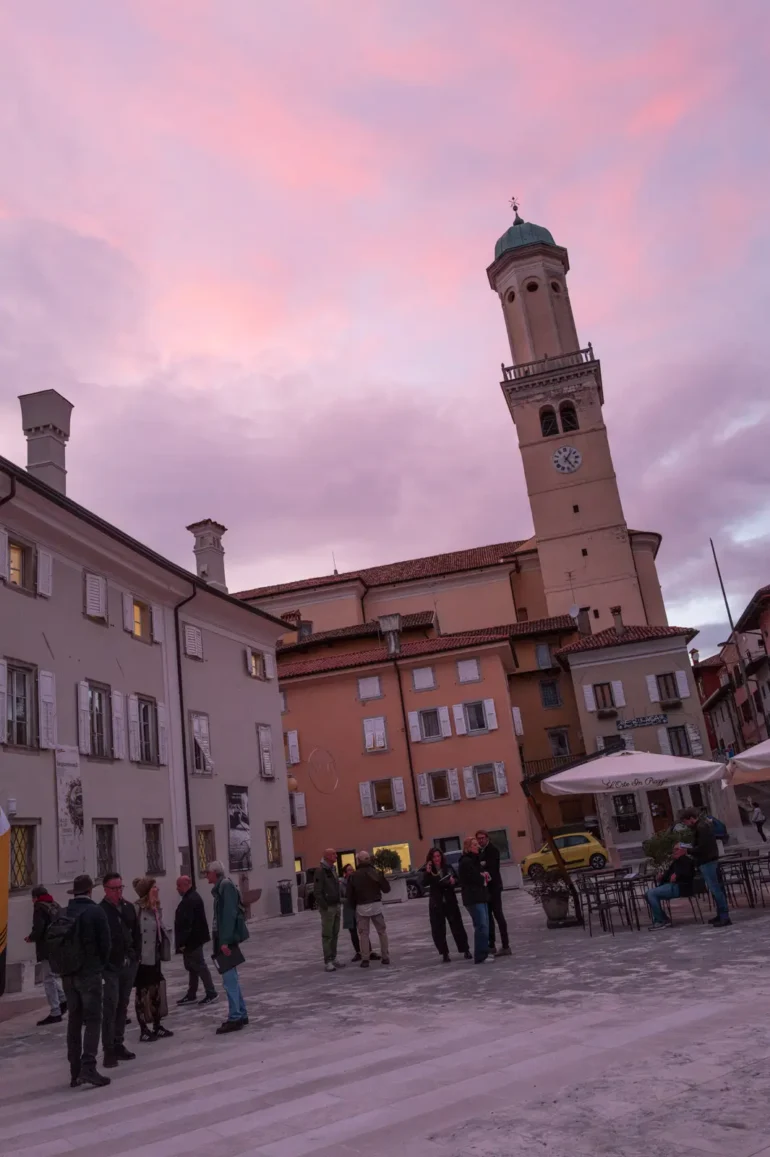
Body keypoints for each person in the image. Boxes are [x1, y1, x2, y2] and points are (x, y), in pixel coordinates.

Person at [60, 874, 111, 1088]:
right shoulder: (96, 912)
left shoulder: (63, 912)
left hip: (68, 975)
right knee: (93, 1019)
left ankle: (74, 1070)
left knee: (74, 1019)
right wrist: (100, 966)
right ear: (90, 891)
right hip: (89, 974)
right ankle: (88, 1067)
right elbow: (106, 944)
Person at [100, 873, 140, 1067]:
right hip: (110, 967)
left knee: (123, 1005)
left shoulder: (128, 908)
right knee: (110, 1007)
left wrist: (135, 956)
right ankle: (108, 1048)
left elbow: (136, 932)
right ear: (105, 890)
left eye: (120, 888)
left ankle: (119, 1042)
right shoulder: (101, 911)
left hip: (128, 963)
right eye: (114, 889)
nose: (118, 892)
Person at [207, 860, 250, 1034]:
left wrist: (224, 941)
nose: (206, 875)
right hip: (224, 938)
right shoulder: (223, 887)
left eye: (207, 872)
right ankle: (241, 1013)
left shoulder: (225, 887)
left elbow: (228, 915)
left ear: (215, 873)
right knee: (231, 977)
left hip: (226, 939)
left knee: (229, 979)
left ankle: (235, 1017)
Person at [133, 876, 174, 1041]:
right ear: (146, 891)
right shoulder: (137, 909)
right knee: (142, 993)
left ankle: (157, 1025)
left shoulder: (155, 908)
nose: (157, 890)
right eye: (154, 887)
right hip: (142, 958)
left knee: (156, 990)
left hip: (155, 955)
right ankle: (144, 1029)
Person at [678, 808, 731, 927]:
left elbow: (702, 848)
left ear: (691, 819)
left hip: (708, 861)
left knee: (716, 889)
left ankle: (724, 916)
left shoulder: (702, 828)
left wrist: (687, 850)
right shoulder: (700, 827)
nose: (686, 825)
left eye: (686, 822)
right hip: (706, 861)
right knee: (714, 889)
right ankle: (720, 914)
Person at [25, 884, 67, 1025]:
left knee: (48, 979)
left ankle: (55, 1011)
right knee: (53, 976)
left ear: (36, 897)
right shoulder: (55, 905)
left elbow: (39, 928)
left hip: (46, 948)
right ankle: (63, 1000)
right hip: (58, 947)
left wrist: (31, 937)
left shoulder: (39, 907)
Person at [174, 875, 217, 1005]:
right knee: (192, 966)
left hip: (193, 940)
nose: (177, 889)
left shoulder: (190, 899)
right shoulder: (190, 897)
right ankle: (192, 993)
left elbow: (187, 924)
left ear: (186, 885)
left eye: (179, 886)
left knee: (199, 965)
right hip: (194, 939)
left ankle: (211, 992)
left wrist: (182, 943)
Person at [423, 849, 471, 963]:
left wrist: (454, 881)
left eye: (438, 856)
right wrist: (427, 872)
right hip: (437, 903)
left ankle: (465, 949)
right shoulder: (429, 870)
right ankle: (444, 953)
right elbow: (424, 883)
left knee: (457, 926)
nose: (436, 859)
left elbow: (458, 880)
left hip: (450, 901)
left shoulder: (447, 867)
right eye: (434, 857)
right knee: (438, 929)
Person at [347, 851, 391, 967]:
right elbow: (386, 889)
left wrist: (352, 907)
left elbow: (350, 895)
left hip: (361, 906)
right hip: (376, 905)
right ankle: (385, 956)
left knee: (363, 934)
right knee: (382, 931)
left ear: (359, 861)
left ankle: (365, 958)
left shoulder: (353, 876)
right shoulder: (376, 872)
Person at [645, 844, 696, 930]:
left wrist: (678, 875)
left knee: (651, 893)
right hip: (671, 886)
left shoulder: (687, 861)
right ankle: (663, 918)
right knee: (647, 894)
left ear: (683, 851)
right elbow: (667, 875)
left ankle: (661, 921)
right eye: (673, 850)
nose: (674, 852)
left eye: (676, 850)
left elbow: (689, 875)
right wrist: (662, 877)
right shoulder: (675, 862)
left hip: (680, 887)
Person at [477, 830, 511, 957]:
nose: (480, 840)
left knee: (498, 915)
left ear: (487, 838)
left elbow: (491, 869)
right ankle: (491, 945)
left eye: (482, 838)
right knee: (488, 918)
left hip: (494, 888)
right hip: (485, 889)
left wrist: (482, 867)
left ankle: (506, 945)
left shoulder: (492, 850)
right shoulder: (480, 852)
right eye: (478, 838)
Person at [458, 836, 491, 963]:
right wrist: (482, 877)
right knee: (481, 926)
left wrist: (484, 875)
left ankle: (484, 952)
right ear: (468, 847)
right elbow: (473, 878)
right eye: (474, 845)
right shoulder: (466, 861)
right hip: (473, 898)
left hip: (480, 896)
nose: (478, 847)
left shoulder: (475, 860)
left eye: (477, 844)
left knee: (484, 925)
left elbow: (479, 874)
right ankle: (480, 955)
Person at [315, 848, 345, 973]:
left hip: (336, 905)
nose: (336, 856)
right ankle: (328, 961)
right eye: (333, 854)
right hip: (328, 907)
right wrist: (324, 906)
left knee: (335, 933)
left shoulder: (333, 869)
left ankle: (334, 957)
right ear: (327, 856)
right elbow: (318, 891)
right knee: (327, 934)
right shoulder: (321, 871)